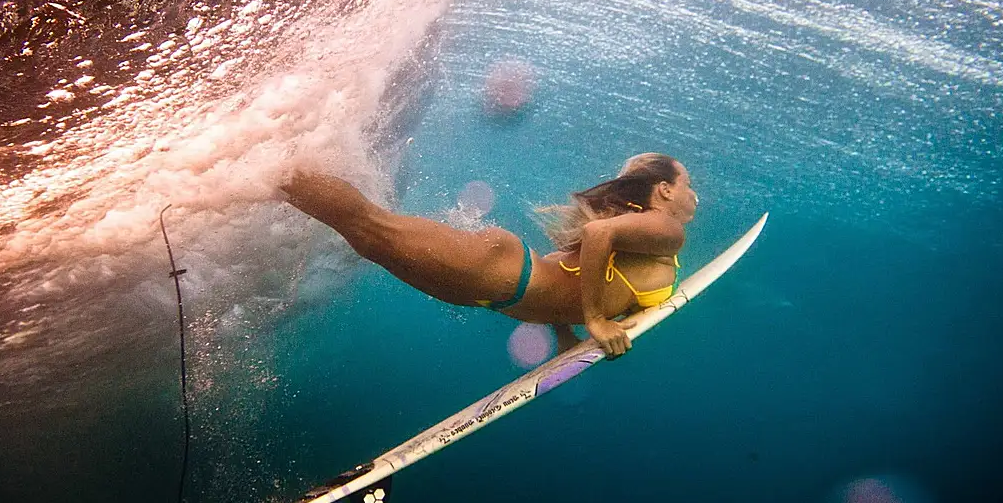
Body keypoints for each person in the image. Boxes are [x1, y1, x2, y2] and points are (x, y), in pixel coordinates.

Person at [280, 153, 698, 358]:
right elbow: (597, 232)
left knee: (367, 237)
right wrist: (594, 320)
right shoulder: (668, 230)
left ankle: (268, 174)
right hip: (500, 274)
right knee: (370, 226)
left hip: (497, 288)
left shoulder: (643, 234)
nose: (694, 195)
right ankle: (278, 167)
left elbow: (573, 272)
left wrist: (567, 330)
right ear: (664, 189)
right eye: (688, 184)